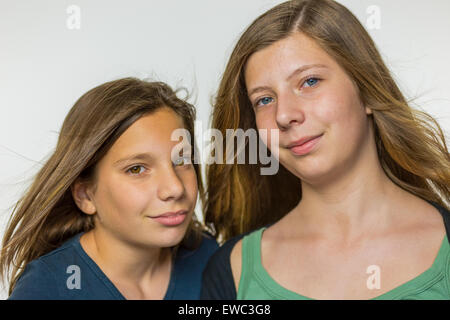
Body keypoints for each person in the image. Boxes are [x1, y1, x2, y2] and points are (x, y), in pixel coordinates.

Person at [201, 0, 450, 300]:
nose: (284, 115)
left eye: (309, 81)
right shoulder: (230, 271)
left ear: (367, 91)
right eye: (264, 100)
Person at [0, 77, 218, 299]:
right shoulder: (46, 288)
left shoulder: (210, 257)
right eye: (136, 169)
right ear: (85, 195)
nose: (174, 188)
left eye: (182, 160)